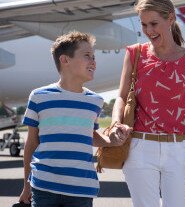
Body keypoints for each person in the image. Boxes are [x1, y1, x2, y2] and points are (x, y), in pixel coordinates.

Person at [111, 0, 185, 207]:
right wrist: (115, 122)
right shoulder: (135, 53)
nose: (148, 30)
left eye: (154, 24)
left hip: (178, 149)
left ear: (171, 18)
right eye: (144, 24)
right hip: (139, 146)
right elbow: (121, 96)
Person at [18, 31, 132, 207]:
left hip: (81, 188)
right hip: (44, 186)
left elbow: (89, 135)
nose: (93, 61)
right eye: (87, 56)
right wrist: (26, 185)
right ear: (65, 60)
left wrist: (112, 141)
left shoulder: (95, 101)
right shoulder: (39, 97)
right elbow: (31, 143)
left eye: (93, 56)